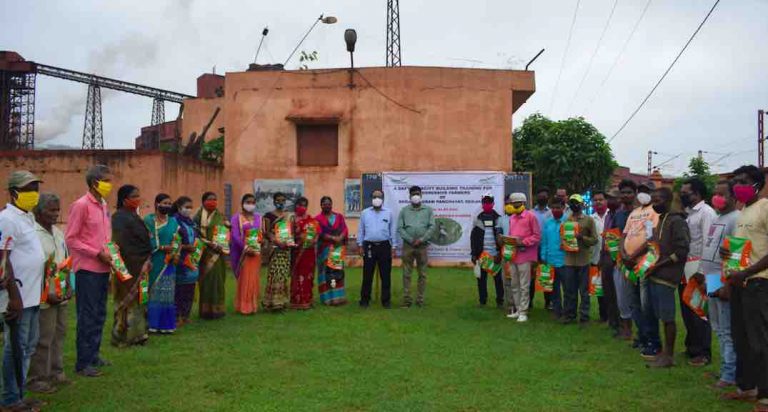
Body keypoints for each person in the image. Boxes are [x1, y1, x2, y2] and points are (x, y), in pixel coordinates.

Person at [721, 165, 768, 409]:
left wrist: (748, 272)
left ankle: (765, 395)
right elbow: (742, 249)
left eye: (743, 180)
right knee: (741, 338)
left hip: (759, 281)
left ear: (757, 184)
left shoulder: (765, 207)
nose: (738, 185)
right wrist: (727, 254)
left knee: (759, 340)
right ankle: (747, 387)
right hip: (740, 281)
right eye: (736, 181)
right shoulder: (742, 213)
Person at [0, 171, 45, 409]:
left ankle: (19, 392)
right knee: (15, 348)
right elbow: (2, 259)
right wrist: (13, 297)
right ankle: (9, 398)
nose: (33, 194)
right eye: (28, 189)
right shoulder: (7, 219)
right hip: (17, 297)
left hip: (32, 294)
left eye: (35, 189)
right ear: (14, 192)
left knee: (27, 346)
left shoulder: (26, 217)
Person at [65, 164, 113, 377]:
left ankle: (93, 354)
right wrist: (96, 253)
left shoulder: (103, 205)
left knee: (100, 313)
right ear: (95, 183)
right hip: (87, 269)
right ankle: (83, 362)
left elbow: (104, 236)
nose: (109, 184)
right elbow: (71, 239)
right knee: (87, 314)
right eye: (107, 180)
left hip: (104, 268)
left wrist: (112, 250)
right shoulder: (81, 205)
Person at [28, 193, 72, 395]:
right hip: (42, 294)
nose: (55, 214)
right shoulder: (32, 234)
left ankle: (56, 371)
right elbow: (32, 268)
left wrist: (69, 285)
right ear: (38, 211)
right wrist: (45, 294)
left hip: (60, 291)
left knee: (59, 333)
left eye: (57, 210)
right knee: (43, 337)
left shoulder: (58, 232)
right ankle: (38, 378)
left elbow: (65, 261)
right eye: (50, 210)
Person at [645, 187, 690, 368]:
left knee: (668, 317)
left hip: (667, 276)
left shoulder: (677, 221)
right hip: (655, 274)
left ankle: (669, 356)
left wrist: (659, 265)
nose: (655, 204)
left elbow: (682, 251)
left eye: (659, 200)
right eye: (653, 200)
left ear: (669, 200)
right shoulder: (662, 219)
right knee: (660, 316)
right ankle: (664, 352)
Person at [700, 180, 739, 388]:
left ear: (733, 197)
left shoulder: (735, 219)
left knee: (726, 328)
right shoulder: (718, 218)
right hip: (711, 276)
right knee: (716, 325)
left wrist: (728, 285)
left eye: (722, 194)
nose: (717, 197)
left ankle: (729, 374)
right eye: (715, 193)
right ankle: (725, 368)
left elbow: (736, 254)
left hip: (723, 278)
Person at [621, 182, 661, 358]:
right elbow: (624, 234)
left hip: (645, 263)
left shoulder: (655, 212)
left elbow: (652, 239)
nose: (643, 194)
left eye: (647, 191)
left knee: (646, 304)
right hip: (628, 264)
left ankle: (653, 341)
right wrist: (624, 253)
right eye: (641, 191)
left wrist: (634, 254)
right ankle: (642, 336)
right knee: (633, 302)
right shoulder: (634, 213)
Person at [679, 177, 716, 366]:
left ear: (698, 194)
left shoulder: (706, 212)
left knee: (699, 310)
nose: (682, 195)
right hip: (686, 267)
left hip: (700, 268)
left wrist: (702, 271)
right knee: (686, 308)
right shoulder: (687, 213)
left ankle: (704, 352)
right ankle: (692, 346)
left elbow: (710, 243)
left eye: (686, 192)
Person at [111, 185, 151, 347]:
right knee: (126, 301)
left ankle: (139, 334)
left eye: (138, 195)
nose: (137, 199)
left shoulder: (135, 217)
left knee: (141, 299)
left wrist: (147, 259)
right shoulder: (118, 218)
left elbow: (144, 240)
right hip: (127, 266)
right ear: (124, 199)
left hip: (142, 264)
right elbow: (119, 243)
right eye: (134, 196)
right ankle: (123, 336)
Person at [501, 193, 541, 322]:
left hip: (526, 255)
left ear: (524, 203)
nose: (515, 205)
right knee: (514, 283)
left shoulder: (531, 217)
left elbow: (536, 236)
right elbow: (512, 235)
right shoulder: (512, 217)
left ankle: (524, 311)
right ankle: (518, 309)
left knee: (524, 285)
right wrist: (507, 240)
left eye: (517, 203)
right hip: (513, 255)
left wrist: (523, 242)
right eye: (513, 203)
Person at [145, 193, 179, 333]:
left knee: (167, 293)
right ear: (156, 204)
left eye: (169, 204)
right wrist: (163, 247)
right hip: (154, 259)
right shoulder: (149, 220)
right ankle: (153, 323)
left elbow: (177, 240)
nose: (167, 206)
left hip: (169, 261)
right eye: (164, 203)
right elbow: (147, 240)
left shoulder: (173, 221)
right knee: (154, 290)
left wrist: (174, 251)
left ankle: (166, 325)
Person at [560, 194, 597, 324]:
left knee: (584, 291)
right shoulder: (566, 220)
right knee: (569, 290)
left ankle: (584, 317)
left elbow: (595, 240)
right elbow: (563, 238)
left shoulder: (589, 220)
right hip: (569, 260)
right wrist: (563, 243)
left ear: (582, 205)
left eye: (576, 203)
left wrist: (582, 238)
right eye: (572, 203)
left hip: (583, 260)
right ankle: (570, 315)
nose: (574, 205)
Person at [397, 186, 436, 308]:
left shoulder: (428, 210)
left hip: (422, 246)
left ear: (421, 195)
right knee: (406, 273)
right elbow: (400, 228)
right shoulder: (404, 211)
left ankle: (420, 300)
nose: (415, 196)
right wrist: (410, 239)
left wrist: (422, 239)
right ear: (409, 196)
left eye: (417, 194)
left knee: (422, 274)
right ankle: (407, 300)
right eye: (413, 194)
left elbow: (432, 227)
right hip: (408, 245)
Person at [358, 190, 395, 308]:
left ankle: (386, 301)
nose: (376, 199)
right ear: (371, 198)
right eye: (374, 196)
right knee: (367, 275)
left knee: (385, 275)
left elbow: (392, 230)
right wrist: (360, 245)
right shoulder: (365, 213)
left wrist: (393, 247)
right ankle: (364, 300)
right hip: (369, 246)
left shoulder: (389, 213)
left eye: (379, 197)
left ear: (383, 199)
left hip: (384, 246)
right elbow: (361, 230)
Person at [195, 192, 228, 320]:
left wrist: (223, 244)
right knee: (206, 281)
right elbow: (195, 233)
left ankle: (217, 310)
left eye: (215, 199)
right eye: (209, 199)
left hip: (218, 254)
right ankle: (205, 310)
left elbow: (225, 232)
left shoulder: (221, 216)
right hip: (204, 253)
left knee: (218, 280)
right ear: (203, 201)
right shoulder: (197, 216)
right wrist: (209, 243)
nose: (213, 202)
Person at [469, 194, 504, 309]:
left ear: (493, 203)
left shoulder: (499, 218)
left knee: (498, 280)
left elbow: (502, 237)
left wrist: (500, 253)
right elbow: (473, 238)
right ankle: (482, 301)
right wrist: (474, 254)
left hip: (495, 255)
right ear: (482, 203)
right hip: (482, 255)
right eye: (485, 202)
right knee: (481, 280)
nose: (487, 204)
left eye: (489, 202)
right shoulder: (477, 218)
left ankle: (500, 302)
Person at [263, 192, 295, 311]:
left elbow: (290, 232)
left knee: (283, 275)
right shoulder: (268, 215)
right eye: (278, 200)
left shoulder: (288, 216)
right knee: (274, 274)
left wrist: (288, 242)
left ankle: (282, 301)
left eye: (283, 200)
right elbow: (266, 232)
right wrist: (276, 241)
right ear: (274, 201)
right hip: (275, 249)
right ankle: (271, 301)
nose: (280, 202)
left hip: (285, 249)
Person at [613, 179, 637, 340]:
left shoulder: (641, 213)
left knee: (637, 297)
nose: (626, 195)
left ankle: (641, 330)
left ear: (634, 194)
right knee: (621, 296)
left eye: (629, 192)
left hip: (639, 261)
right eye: (623, 193)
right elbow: (615, 236)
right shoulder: (618, 214)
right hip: (620, 260)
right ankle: (626, 329)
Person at [230, 194, 262, 315]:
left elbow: (259, 234)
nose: (250, 204)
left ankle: (252, 305)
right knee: (244, 279)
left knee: (253, 278)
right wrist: (245, 247)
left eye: (253, 202)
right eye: (248, 202)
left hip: (255, 252)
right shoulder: (236, 218)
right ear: (242, 203)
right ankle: (243, 306)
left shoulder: (258, 218)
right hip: (242, 252)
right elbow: (235, 235)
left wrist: (261, 241)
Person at [316, 196, 349, 306]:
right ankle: (327, 299)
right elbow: (319, 233)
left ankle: (338, 298)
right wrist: (333, 238)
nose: (327, 205)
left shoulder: (339, 217)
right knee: (326, 274)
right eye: (324, 204)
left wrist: (340, 237)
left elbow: (345, 229)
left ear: (332, 204)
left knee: (336, 274)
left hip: (336, 249)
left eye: (328, 203)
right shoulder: (318, 219)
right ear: (321, 205)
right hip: (324, 250)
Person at [591, 190, 615, 328]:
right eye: (595, 200)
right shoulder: (591, 218)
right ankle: (603, 316)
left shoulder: (611, 216)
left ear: (606, 201)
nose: (598, 202)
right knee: (599, 288)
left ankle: (613, 317)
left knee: (611, 289)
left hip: (611, 257)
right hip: (595, 258)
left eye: (601, 199)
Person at [172, 196, 198, 326]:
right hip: (180, 260)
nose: (189, 209)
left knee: (190, 288)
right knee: (179, 290)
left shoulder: (191, 222)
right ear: (179, 207)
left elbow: (196, 237)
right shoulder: (174, 221)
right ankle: (177, 316)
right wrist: (186, 247)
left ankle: (186, 315)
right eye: (186, 207)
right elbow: (173, 241)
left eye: (190, 207)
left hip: (192, 259)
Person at [541, 199, 567, 319]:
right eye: (554, 208)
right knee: (554, 289)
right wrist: (543, 257)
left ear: (563, 208)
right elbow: (544, 241)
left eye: (558, 207)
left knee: (567, 289)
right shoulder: (547, 223)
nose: (556, 210)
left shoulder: (568, 221)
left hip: (565, 261)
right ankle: (557, 311)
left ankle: (568, 312)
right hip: (550, 260)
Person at [292, 197, 318, 310]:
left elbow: (317, 234)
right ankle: (296, 300)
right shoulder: (291, 220)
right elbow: (287, 235)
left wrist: (314, 241)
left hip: (309, 252)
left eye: (304, 205)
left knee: (308, 276)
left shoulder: (312, 221)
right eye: (299, 205)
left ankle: (307, 300)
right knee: (297, 276)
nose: (302, 207)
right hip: (297, 251)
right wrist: (298, 236)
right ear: (296, 206)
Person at [532, 188, 553, 310]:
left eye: (544, 196)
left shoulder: (551, 213)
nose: (542, 198)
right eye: (540, 196)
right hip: (533, 248)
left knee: (546, 274)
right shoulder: (531, 212)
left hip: (547, 248)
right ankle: (529, 302)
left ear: (547, 198)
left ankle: (548, 302)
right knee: (531, 276)